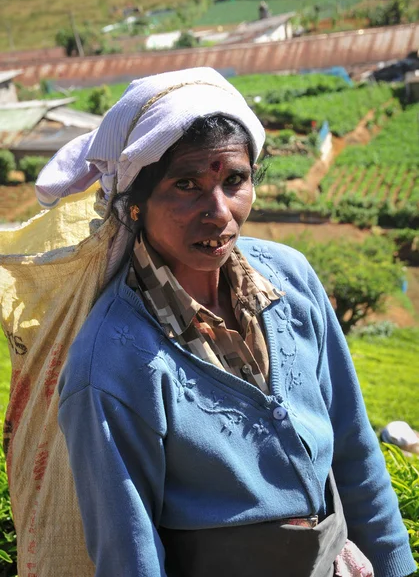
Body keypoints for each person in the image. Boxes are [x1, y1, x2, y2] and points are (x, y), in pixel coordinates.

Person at [35, 68, 416, 577]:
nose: (219, 212)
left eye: (234, 180)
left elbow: (354, 449)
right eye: (187, 185)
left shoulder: (293, 281)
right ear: (135, 204)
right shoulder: (111, 364)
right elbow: (132, 557)